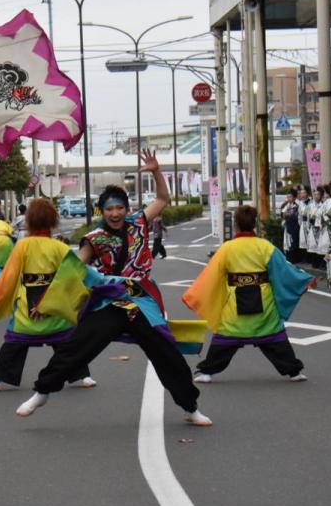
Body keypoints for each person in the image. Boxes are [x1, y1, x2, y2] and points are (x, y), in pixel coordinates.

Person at [16, 151, 210, 426]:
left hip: (141, 299)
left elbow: (163, 199)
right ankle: (42, 392)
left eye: (119, 208)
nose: (115, 213)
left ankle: (190, 407)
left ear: (126, 209)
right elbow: (71, 272)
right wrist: (45, 302)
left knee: (166, 353)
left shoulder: (138, 224)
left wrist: (156, 171)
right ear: (102, 211)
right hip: (110, 301)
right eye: (109, 209)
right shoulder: (94, 239)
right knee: (75, 347)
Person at [0, 198, 96, 392]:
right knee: (66, 341)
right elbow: (75, 273)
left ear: (29, 220)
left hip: (27, 301)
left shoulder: (23, 246)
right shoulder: (60, 247)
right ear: (52, 220)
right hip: (54, 300)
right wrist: (102, 284)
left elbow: (9, 275)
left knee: (15, 341)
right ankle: (83, 376)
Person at [185, 205, 312, 382]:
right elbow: (284, 270)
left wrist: (194, 294)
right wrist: (304, 279)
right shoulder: (265, 246)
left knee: (226, 335)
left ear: (236, 224)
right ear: (254, 224)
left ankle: (207, 372)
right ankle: (294, 372)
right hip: (264, 299)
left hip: (235, 301)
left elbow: (211, 275)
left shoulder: (227, 248)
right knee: (274, 335)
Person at [280, 190, 301, 259]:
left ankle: (294, 258)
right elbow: (282, 214)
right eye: (288, 197)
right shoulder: (286, 205)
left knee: (293, 241)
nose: (289, 198)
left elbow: (296, 216)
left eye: (290, 197)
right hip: (287, 225)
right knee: (287, 241)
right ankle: (288, 256)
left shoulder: (296, 206)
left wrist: (288, 215)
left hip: (294, 226)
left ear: (294, 197)